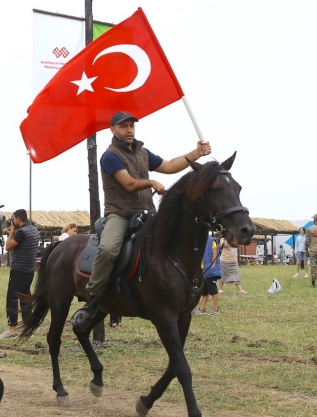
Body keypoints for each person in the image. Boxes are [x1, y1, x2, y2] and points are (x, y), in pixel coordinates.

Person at [69, 112, 211, 331]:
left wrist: (197, 153)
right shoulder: (110, 156)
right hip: (120, 214)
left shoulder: (143, 153)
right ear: (112, 129)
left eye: (131, 126)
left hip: (146, 213)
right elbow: (128, 183)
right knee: (108, 249)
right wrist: (152, 182)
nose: (129, 130)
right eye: (123, 126)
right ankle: (94, 294)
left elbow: (171, 165)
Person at [0, 209, 39, 338]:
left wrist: (11, 231)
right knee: (25, 298)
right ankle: (28, 329)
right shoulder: (33, 230)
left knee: (12, 298)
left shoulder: (21, 232)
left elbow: (8, 247)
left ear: (17, 219)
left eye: (14, 219)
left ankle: (12, 329)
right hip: (29, 270)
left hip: (19, 270)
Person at [194, 232, 222, 315]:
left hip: (210, 270)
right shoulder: (199, 242)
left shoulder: (211, 240)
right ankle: (202, 309)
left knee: (212, 289)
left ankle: (215, 309)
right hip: (203, 269)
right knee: (204, 290)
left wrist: (212, 265)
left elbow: (215, 252)